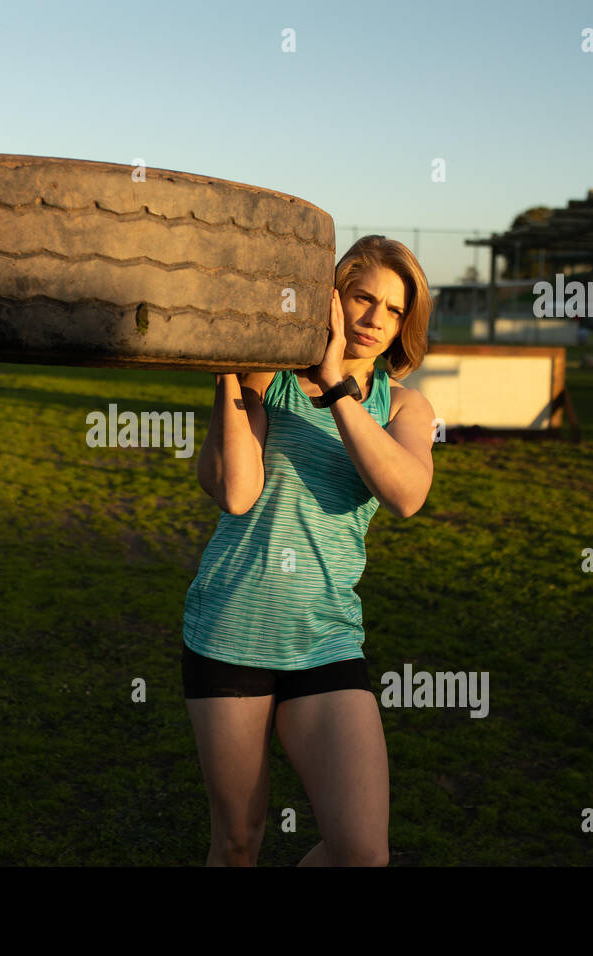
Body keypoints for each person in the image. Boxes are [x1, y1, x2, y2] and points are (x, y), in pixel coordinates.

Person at [183, 234, 436, 866]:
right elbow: (236, 492)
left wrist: (337, 388)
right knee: (238, 842)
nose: (376, 318)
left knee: (362, 853)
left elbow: (405, 494)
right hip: (232, 630)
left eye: (395, 308)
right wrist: (232, 372)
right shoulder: (269, 381)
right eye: (361, 298)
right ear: (330, 301)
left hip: (324, 637)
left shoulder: (402, 405)